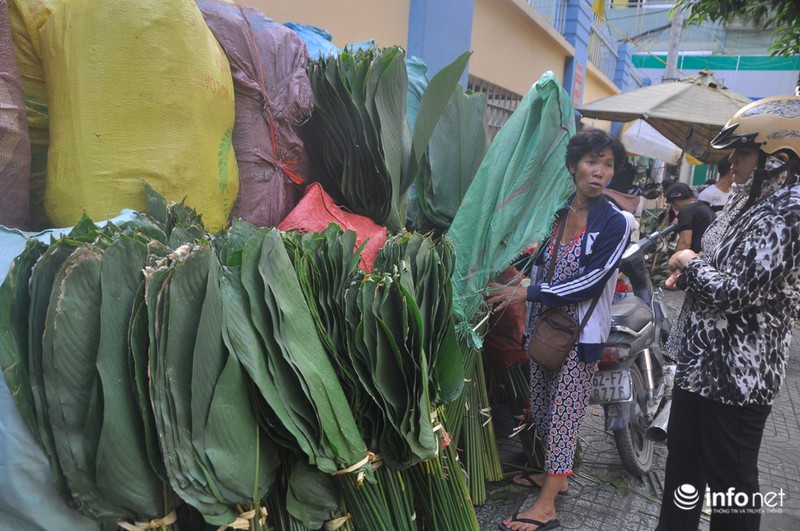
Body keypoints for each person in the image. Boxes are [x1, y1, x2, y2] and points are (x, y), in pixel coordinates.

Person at [657, 95, 800, 531]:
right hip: (701, 363)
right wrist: (691, 265)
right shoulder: (746, 199)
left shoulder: (790, 210)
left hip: (740, 377)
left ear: (778, 157)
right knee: (682, 468)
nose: (732, 162)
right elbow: (714, 258)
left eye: (742, 152)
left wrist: (689, 263)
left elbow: (736, 291)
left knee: (730, 486)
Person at [485, 128, 630, 531]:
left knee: (565, 416)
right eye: (591, 162)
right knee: (545, 412)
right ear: (572, 166)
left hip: (579, 337)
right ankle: (557, 477)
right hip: (543, 331)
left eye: (608, 165)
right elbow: (534, 255)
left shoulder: (615, 223)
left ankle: (546, 505)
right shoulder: (558, 210)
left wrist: (527, 293)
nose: (599, 172)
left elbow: (590, 282)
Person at [664, 182, 715, 253]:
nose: (674, 208)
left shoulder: (686, 211)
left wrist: (674, 260)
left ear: (676, 201)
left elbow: (685, 243)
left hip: (696, 257)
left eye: (672, 205)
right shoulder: (706, 209)